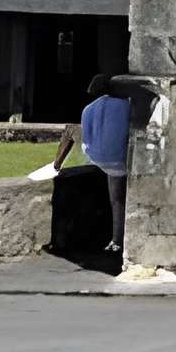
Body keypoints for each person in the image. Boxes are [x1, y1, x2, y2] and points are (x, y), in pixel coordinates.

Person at [56, 73, 133, 262]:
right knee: (119, 200)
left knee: (115, 199)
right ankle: (118, 239)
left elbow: (88, 138)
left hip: (98, 158)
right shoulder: (127, 106)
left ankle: (56, 164)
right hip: (122, 159)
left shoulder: (88, 109)